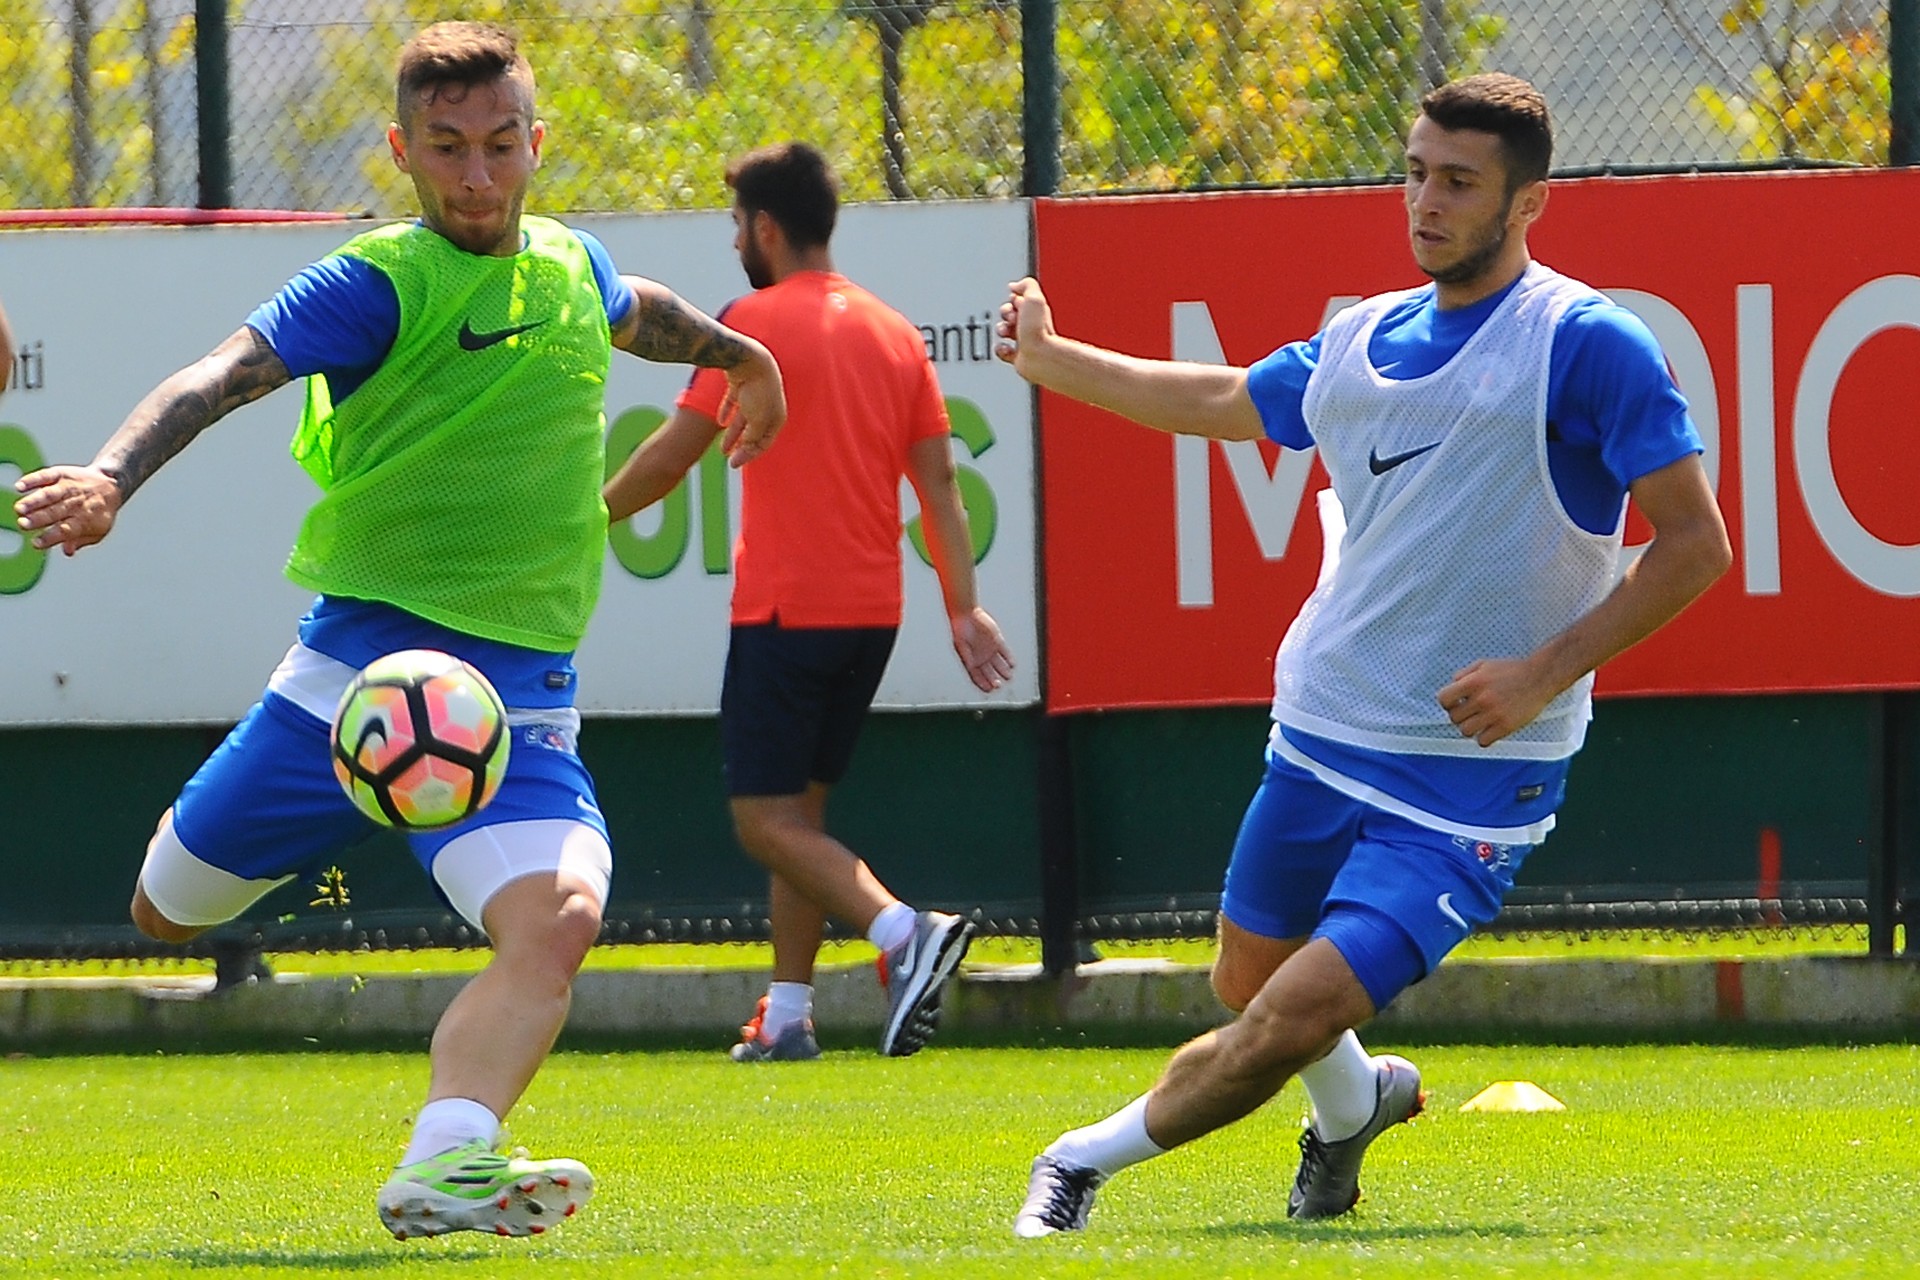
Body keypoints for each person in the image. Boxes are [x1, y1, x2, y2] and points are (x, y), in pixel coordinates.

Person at [12, 22, 783, 1241]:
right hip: (348, 681)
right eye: (448, 147)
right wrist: (109, 475)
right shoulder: (377, 281)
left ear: (538, 141)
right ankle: (326, 825)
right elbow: (219, 374)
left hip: (518, 702)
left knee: (559, 922)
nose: (477, 175)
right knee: (164, 910)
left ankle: (447, 1158)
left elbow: (640, 310)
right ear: (402, 150)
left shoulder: (572, 264)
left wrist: (744, 355)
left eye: (500, 145)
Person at [997, 73, 1731, 1235]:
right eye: (1416, 172)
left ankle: (1076, 1161)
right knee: (1248, 982)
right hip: (1323, 731)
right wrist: (1054, 362)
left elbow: (1696, 546)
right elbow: (1226, 398)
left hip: (1472, 778)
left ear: (1528, 203)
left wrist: (1543, 670)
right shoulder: (1364, 335)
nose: (1426, 201)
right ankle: (1357, 1104)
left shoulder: (1588, 343)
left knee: (1287, 1015)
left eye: (1459, 182)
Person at [604, 141, 1013, 1062]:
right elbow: (940, 484)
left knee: (763, 821)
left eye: (736, 225)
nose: (733, 242)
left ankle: (905, 933)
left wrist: (587, 521)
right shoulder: (893, 330)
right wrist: (963, 608)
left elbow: (671, 456)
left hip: (785, 613)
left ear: (766, 227)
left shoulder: (748, 325)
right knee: (800, 818)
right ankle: (788, 1013)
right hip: (871, 617)